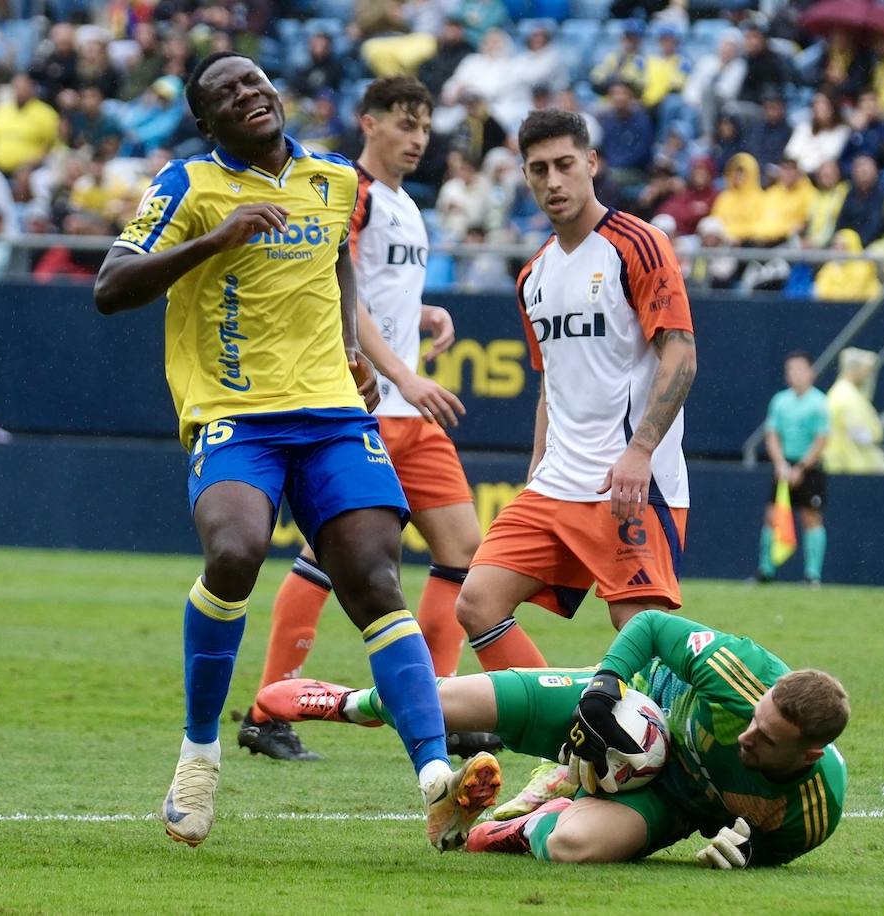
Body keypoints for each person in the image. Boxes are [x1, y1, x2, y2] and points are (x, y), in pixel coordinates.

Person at [91, 52, 499, 851]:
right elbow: (112, 285)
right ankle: (200, 753)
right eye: (225, 94)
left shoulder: (334, 179)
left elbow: (339, 263)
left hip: (332, 413)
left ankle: (434, 779)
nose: (248, 95)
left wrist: (351, 341)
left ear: (275, 95)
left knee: (376, 578)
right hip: (235, 414)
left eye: (254, 82)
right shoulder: (189, 184)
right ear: (208, 123)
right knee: (237, 551)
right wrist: (215, 240)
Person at [453, 108, 697, 815]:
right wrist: (536, 470)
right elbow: (549, 383)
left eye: (565, 164)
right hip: (556, 483)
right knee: (478, 602)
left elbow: (680, 354)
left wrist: (641, 451)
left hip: (628, 480)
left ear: (592, 163)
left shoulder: (637, 244)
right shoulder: (532, 274)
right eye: (538, 169)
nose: (553, 181)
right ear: (523, 175)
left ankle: (687, 774)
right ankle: (571, 749)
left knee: (644, 640)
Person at [234, 77, 484, 759]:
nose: (418, 139)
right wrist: (400, 371)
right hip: (370, 406)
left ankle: (438, 704)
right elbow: (336, 286)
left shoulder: (407, 204)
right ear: (368, 122)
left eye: (426, 128)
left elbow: (380, 295)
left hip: (410, 410)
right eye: (406, 124)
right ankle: (267, 708)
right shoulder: (353, 194)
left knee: (463, 551)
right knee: (332, 557)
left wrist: (424, 315)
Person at [257, 609, 850, 868]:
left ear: (808, 755)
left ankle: (516, 820)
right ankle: (347, 703)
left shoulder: (812, 809)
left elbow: (771, 852)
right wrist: (604, 686)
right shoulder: (737, 672)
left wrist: (744, 858)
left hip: (667, 800)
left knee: (575, 848)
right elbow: (648, 624)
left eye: (766, 738)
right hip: (627, 705)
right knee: (449, 701)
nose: (749, 733)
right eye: (754, 717)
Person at [757, 352, 828, 585]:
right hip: (784, 466)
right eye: (790, 370)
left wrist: (801, 468)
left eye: (799, 369)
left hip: (809, 468)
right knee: (773, 517)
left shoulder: (819, 402)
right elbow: (772, 435)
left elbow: (821, 439)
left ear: (811, 373)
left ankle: (812, 575)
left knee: (811, 517)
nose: (794, 374)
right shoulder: (780, 401)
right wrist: (780, 464)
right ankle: (765, 571)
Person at [822, 348, 884, 474]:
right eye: (866, 371)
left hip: (851, 467)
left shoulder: (846, 393)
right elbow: (859, 434)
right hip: (851, 467)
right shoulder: (846, 395)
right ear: (855, 369)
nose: (868, 376)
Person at [813, 229, 880, 302]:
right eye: (836, 246)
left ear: (853, 246)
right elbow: (822, 292)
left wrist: (833, 295)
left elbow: (852, 296)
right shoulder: (830, 267)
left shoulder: (863, 267)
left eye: (843, 246)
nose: (838, 250)